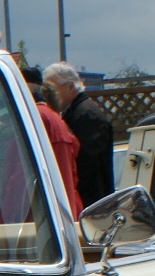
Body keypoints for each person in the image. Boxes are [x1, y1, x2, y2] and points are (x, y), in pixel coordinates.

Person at [42, 62, 114, 205]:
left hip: (91, 202)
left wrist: (66, 191)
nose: (48, 96)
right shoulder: (76, 111)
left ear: (70, 87)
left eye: (52, 89)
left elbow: (85, 164)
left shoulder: (86, 115)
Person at [21, 65, 81, 202]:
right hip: (63, 203)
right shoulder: (54, 117)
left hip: (44, 206)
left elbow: (19, 177)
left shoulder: (36, 118)